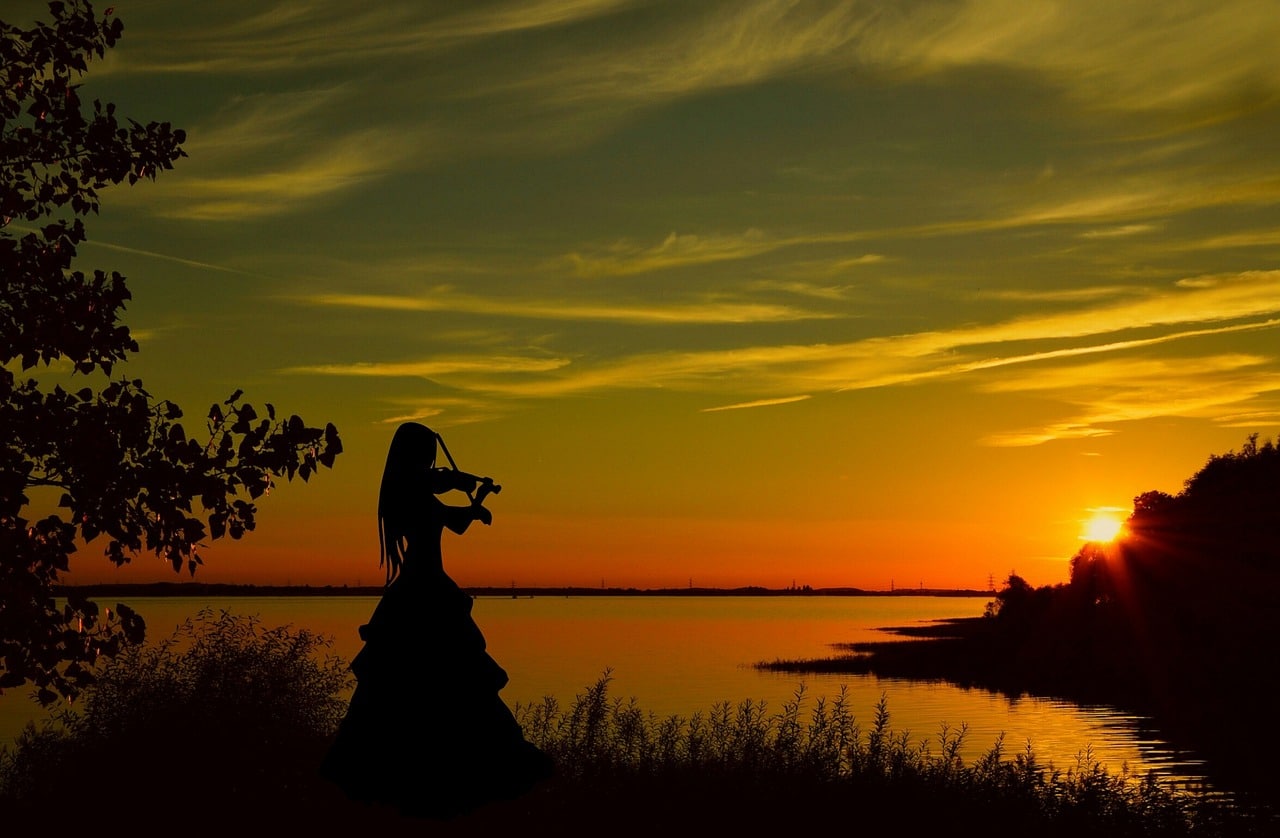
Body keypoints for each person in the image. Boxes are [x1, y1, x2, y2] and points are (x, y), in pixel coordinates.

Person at [320, 422, 553, 818]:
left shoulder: (415, 490)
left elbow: (453, 522)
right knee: (452, 676)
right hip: (424, 588)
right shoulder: (409, 489)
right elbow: (435, 495)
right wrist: (460, 487)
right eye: (426, 455)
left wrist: (476, 505)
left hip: (421, 587)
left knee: (418, 681)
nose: (432, 464)